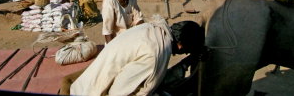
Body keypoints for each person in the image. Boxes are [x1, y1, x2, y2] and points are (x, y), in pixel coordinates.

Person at [68, 17, 204, 96]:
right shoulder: (156, 53)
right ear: (181, 45)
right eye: (186, 51)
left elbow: (157, 78)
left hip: (84, 87)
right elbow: (118, 93)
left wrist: (187, 62)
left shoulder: (153, 29)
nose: (183, 53)